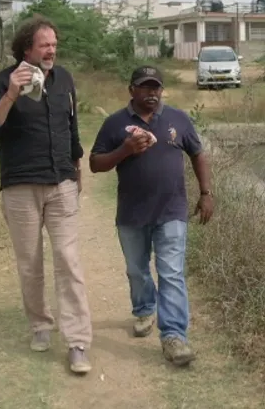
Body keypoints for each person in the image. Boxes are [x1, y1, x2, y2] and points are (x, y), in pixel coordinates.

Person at [0, 16, 92, 374]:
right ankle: (41, 325)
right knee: (30, 263)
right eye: (45, 45)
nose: (52, 50)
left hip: (60, 184)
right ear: (27, 48)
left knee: (68, 261)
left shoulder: (64, 80)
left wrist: (76, 166)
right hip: (20, 186)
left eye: (54, 44)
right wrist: (11, 93)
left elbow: (70, 126)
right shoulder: (3, 82)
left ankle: (77, 342)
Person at [89, 65, 214, 366]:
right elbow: (95, 163)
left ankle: (174, 336)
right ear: (131, 90)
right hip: (131, 213)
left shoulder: (177, 120)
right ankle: (145, 308)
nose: (152, 93)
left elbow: (197, 154)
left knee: (171, 273)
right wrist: (125, 150)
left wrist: (206, 193)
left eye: (156, 87)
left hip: (172, 210)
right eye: (145, 87)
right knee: (137, 270)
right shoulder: (115, 124)